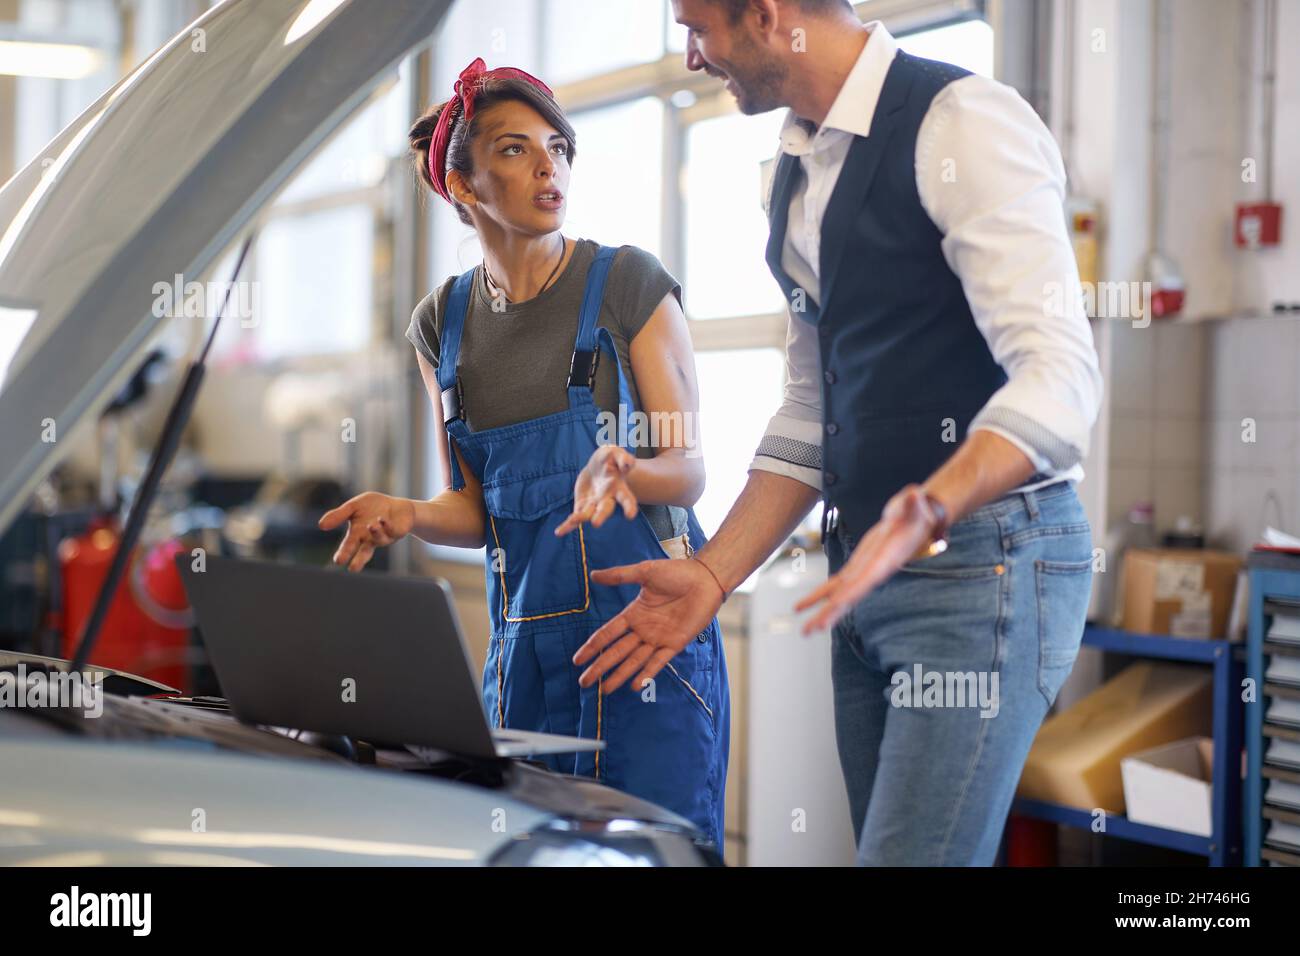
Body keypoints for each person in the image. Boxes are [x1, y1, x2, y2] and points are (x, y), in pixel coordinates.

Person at [573, 1, 1103, 865]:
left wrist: (931, 504)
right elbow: (814, 410)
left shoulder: (960, 122)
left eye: (698, 28)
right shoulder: (793, 171)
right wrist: (714, 572)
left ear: (765, 14)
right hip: (862, 575)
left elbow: (1061, 377)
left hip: (987, 564)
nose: (692, 57)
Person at [318, 58, 729, 847]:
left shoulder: (629, 285)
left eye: (558, 147)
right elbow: (477, 509)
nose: (549, 165)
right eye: (514, 149)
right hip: (526, 659)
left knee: (651, 858)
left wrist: (630, 470)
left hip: (645, 643)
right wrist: (405, 512)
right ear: (464, 187)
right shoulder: (441, 324)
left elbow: (692, 468)